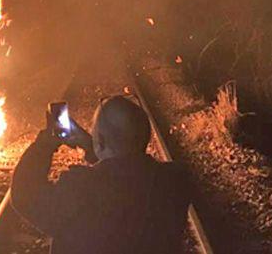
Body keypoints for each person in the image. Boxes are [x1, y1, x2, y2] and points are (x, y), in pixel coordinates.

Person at [11, 95, 191, 254]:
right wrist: (94, 146)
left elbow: (24, 195)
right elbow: (126, 170)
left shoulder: (80, 188)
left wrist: (45, 144)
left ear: (102, 142)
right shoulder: (174, 181)